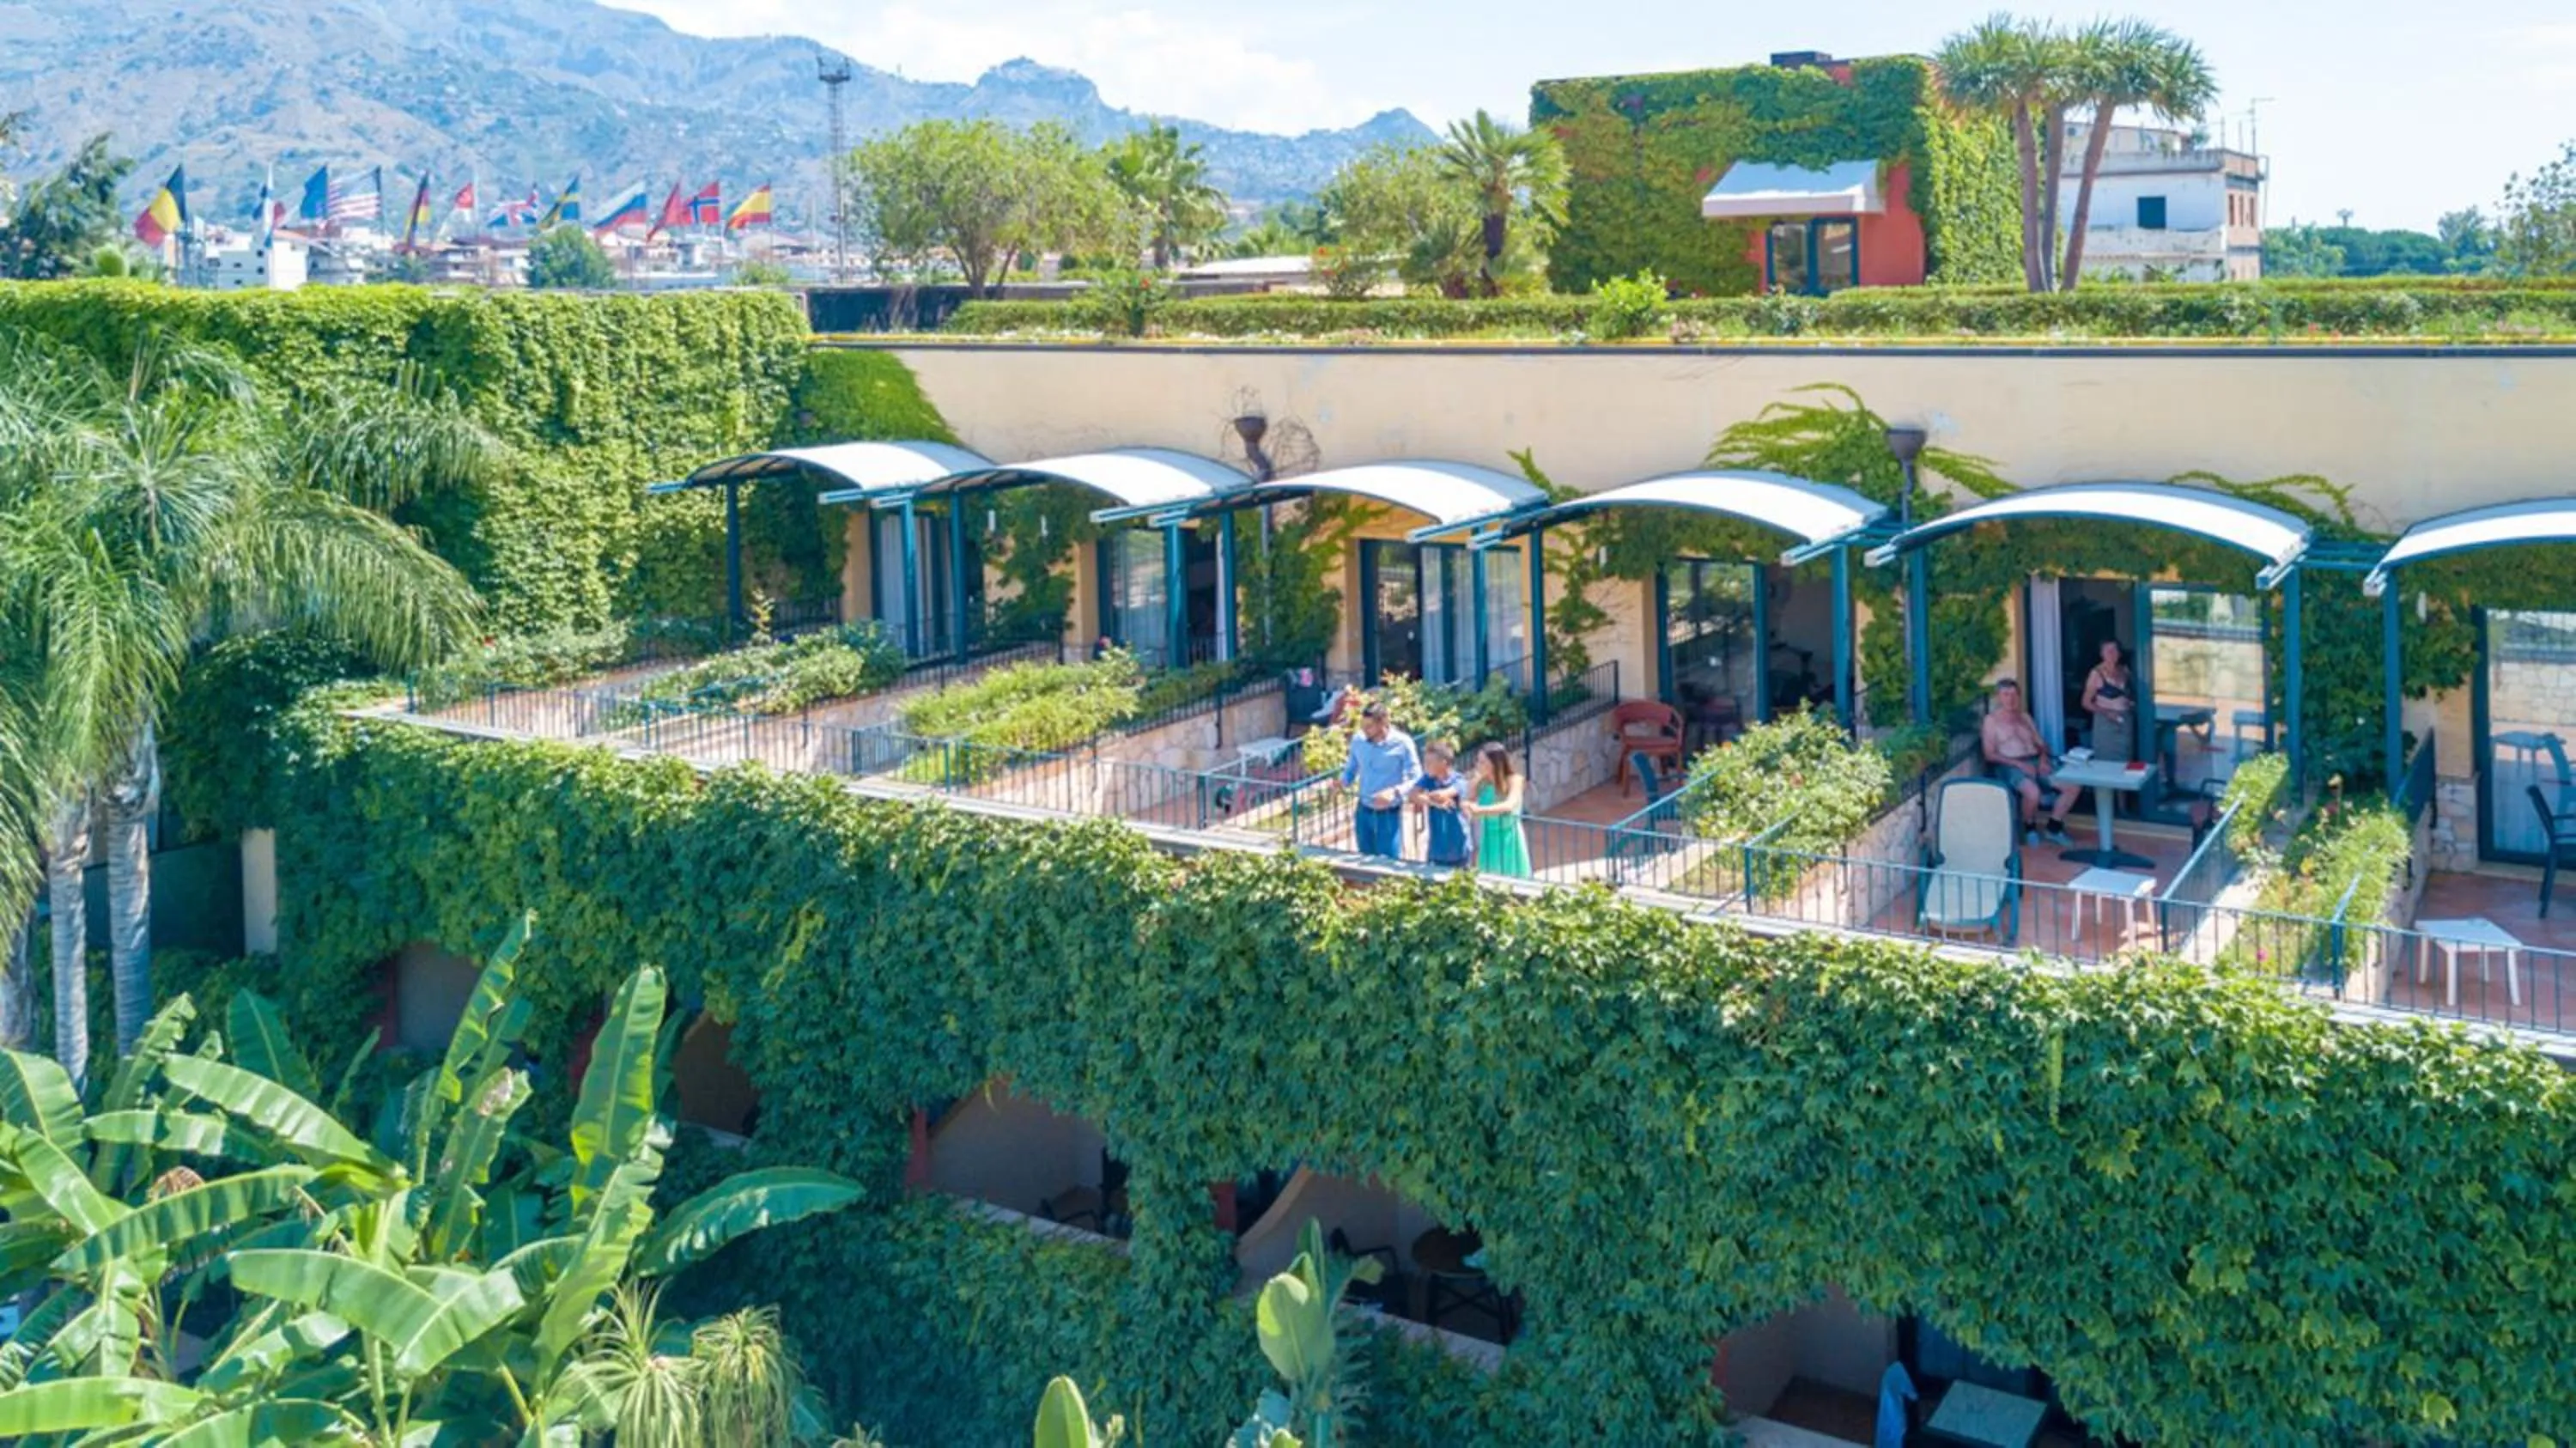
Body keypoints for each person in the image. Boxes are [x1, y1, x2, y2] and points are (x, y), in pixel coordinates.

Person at [1982, 678, 2075, 846]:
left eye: (2014, 694)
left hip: (2035, 761)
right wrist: (2019, 765)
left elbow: (2042, 744)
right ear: (1998, 697)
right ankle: (2029, 827)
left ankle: (2053, 828)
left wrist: (2043, 760)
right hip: (2010, 766)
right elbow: (1989, 754)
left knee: (2073, 785)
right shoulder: (1992, 721)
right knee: (2033, 792)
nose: (2011, 699)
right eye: (2006, 694)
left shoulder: (2025, 717)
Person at [1340, 701, 1419, 861]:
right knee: (1364, 862)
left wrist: (1395, 792)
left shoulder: (1402, 743)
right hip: (1364, 811)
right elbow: (1351, 769)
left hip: (1388, 815)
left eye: (1369, 727)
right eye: (1363, 725)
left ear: (1383, 722)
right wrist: (1342, 781)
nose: (1364, 730)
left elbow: (1416, 776)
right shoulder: (1358, 741)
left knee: (1388, 865)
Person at [1461, 740, 1532, 877]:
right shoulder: (1481, 783)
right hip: (1489, 836)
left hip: (1509, 837)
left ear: (1495, 764)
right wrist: (1467, 804)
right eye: (1478, 761)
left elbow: (1509, 805)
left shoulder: (1514, 780)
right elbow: (1468, 804)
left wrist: (1480, 810)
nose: (1478, 765)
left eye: (1482, 762)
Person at [1407, 740, 1473, 868]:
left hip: (1459, 847)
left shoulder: (1459, 780)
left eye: (1429, 763)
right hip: (1436, 848)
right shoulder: (1428, 779)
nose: (1425, 766)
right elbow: (1412, 794)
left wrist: (1430, 797)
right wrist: (1432, 802)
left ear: (1443, 763)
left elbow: (1446, 793)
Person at [2081, 638, 2136, 765]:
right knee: (2105, 761)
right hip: (2106, 723)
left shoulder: (2125, 670)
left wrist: (2132, 703)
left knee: (2125, 759)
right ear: (2102, 653)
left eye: (2115, 650)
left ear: (2120, 653)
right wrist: (2107, 713)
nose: (2112, 654)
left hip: (2125, 721)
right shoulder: (2096, 673)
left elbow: (2133, 693)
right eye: (2108, 651)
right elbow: (2086, 702)